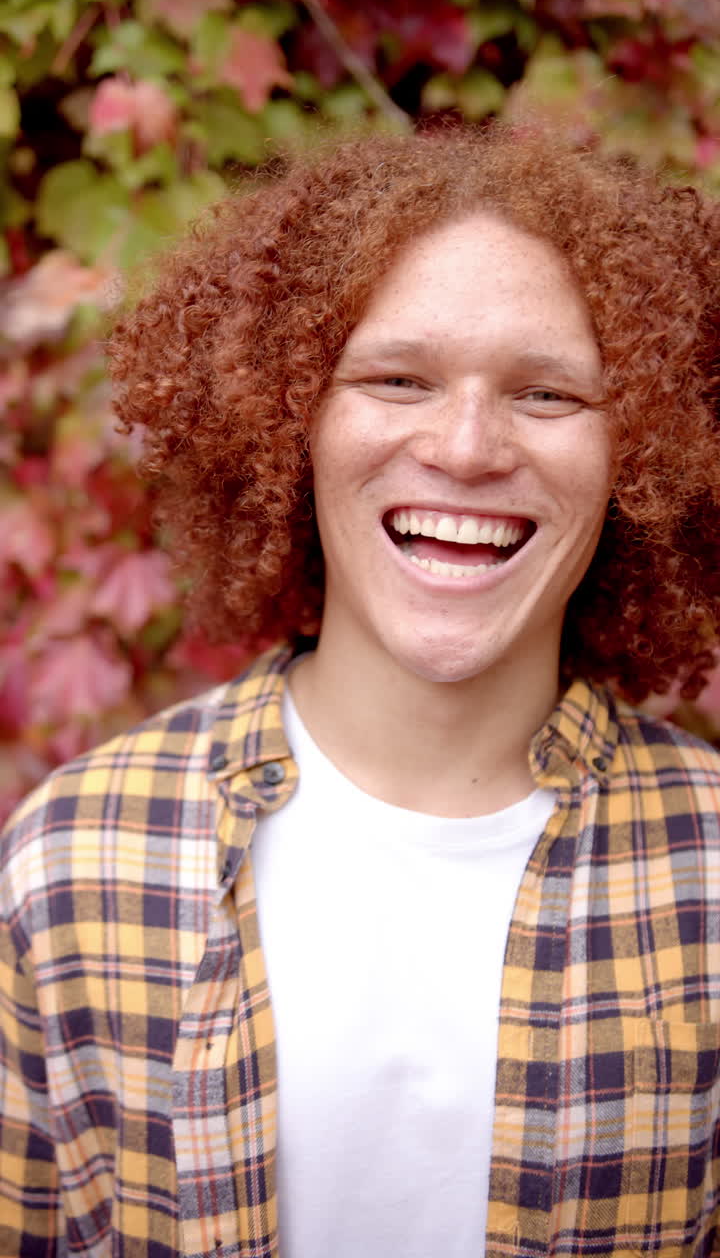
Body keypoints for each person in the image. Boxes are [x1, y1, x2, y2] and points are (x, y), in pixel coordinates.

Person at [2, 121, 720, 1258]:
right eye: (397, 378)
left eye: (547, 394)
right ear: (288, 424)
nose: (469, 446)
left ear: (644, 454)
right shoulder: (76, 857)